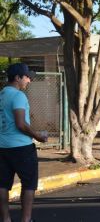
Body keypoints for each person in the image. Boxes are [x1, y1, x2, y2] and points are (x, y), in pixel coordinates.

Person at [0, 63, 48, 222]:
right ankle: (26, 220)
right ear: (17, 78)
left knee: (2, 184)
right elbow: (21, 124)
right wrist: (38, 136)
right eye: (27, 77)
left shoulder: (1, 95)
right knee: (28, 184)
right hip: (21, 148)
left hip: (2, 147)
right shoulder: (18, 95)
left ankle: (5, 218)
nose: (29, 80)